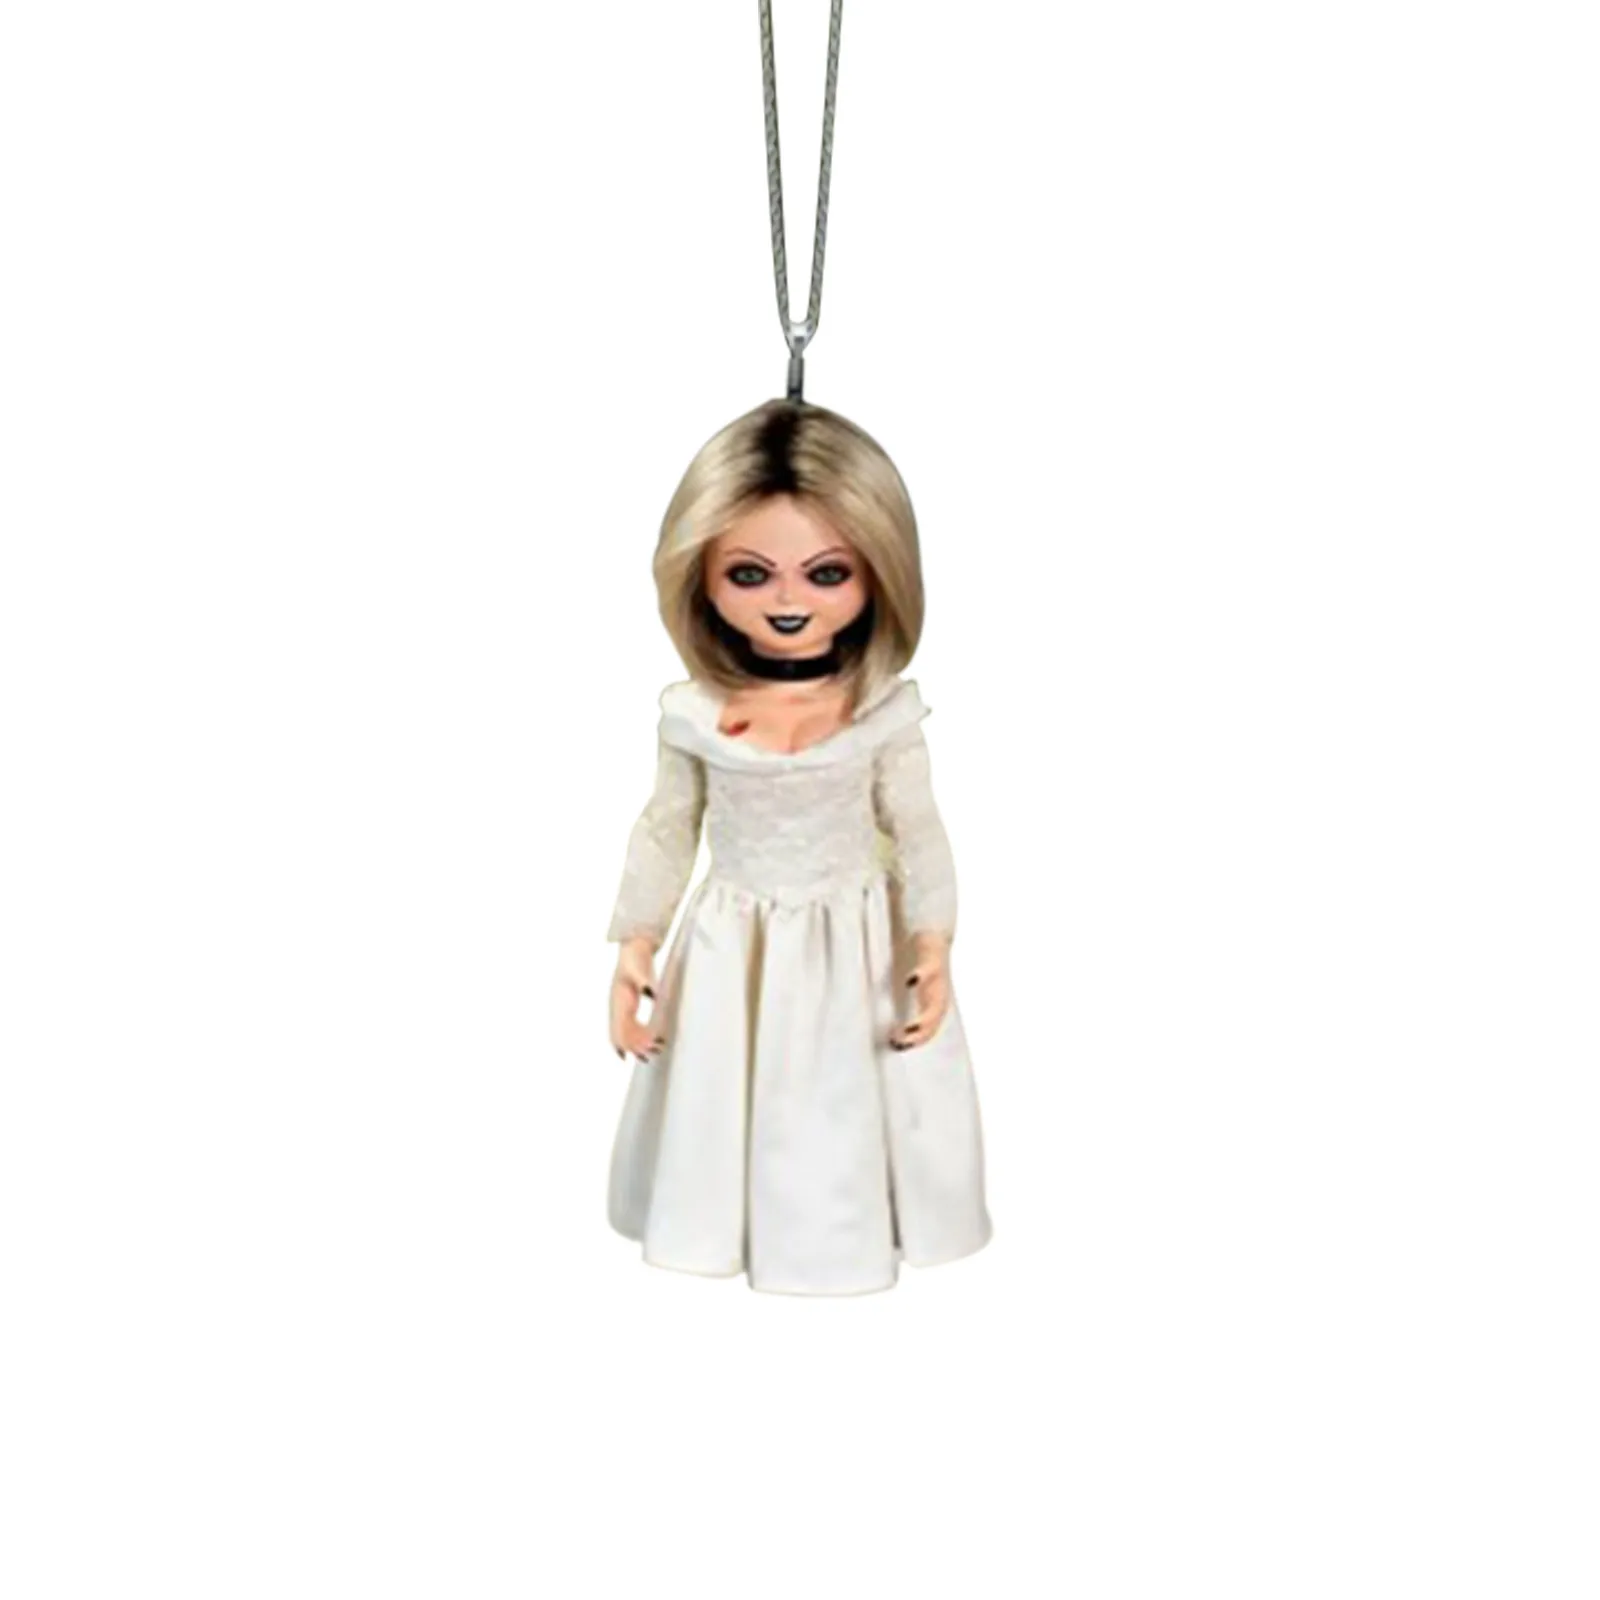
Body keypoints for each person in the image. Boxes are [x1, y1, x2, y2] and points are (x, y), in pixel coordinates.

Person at [604, 397, 992, 1296]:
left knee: (847, 1100)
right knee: (724, 1096)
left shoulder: (883, 714)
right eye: (750, 574)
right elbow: (666, 829)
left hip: (858, 945)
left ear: (878, 573)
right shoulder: (693, 716)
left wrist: (932, 939)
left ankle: (841, 1238)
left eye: (826, 574)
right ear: (699, 575)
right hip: (730, 949)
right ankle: (724, 1222)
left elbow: (919, 830)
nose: (788, 602)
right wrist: (635, 944)